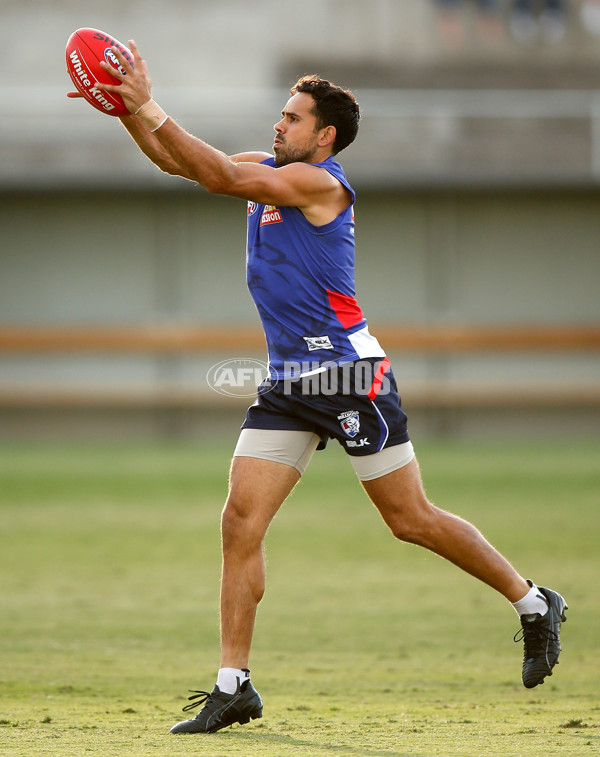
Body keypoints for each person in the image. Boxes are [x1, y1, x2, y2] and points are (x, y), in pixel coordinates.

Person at [69, 41, 568, 735]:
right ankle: (233, 684)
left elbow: (214, 175)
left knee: (409, 519)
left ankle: (533, 599)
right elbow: (176, 162)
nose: (279, 125)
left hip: (348, 376)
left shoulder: (319, 183)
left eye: (293, 117)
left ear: (324, 136)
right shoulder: (269, 169)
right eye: (281, 113)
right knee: (240, 520)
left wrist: (147, 102)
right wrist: (125, 107)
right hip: (287, 381)